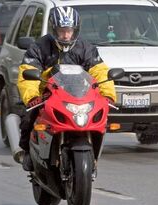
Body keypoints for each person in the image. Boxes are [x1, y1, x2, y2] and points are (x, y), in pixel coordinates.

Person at [17, 6, 116, 171]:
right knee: (29, 116)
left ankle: (92, 155)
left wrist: (108, 95)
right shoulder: (39, 47)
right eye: (62, 30)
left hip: (78, 95)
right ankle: (27, 151)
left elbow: (100, 71)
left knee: (100, 118)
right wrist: (32, 97)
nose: (66, 35)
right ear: (53, 29)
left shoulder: (86, 48)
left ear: (75, 30)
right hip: (47, 94)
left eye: (69, 30)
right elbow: (26, 74)